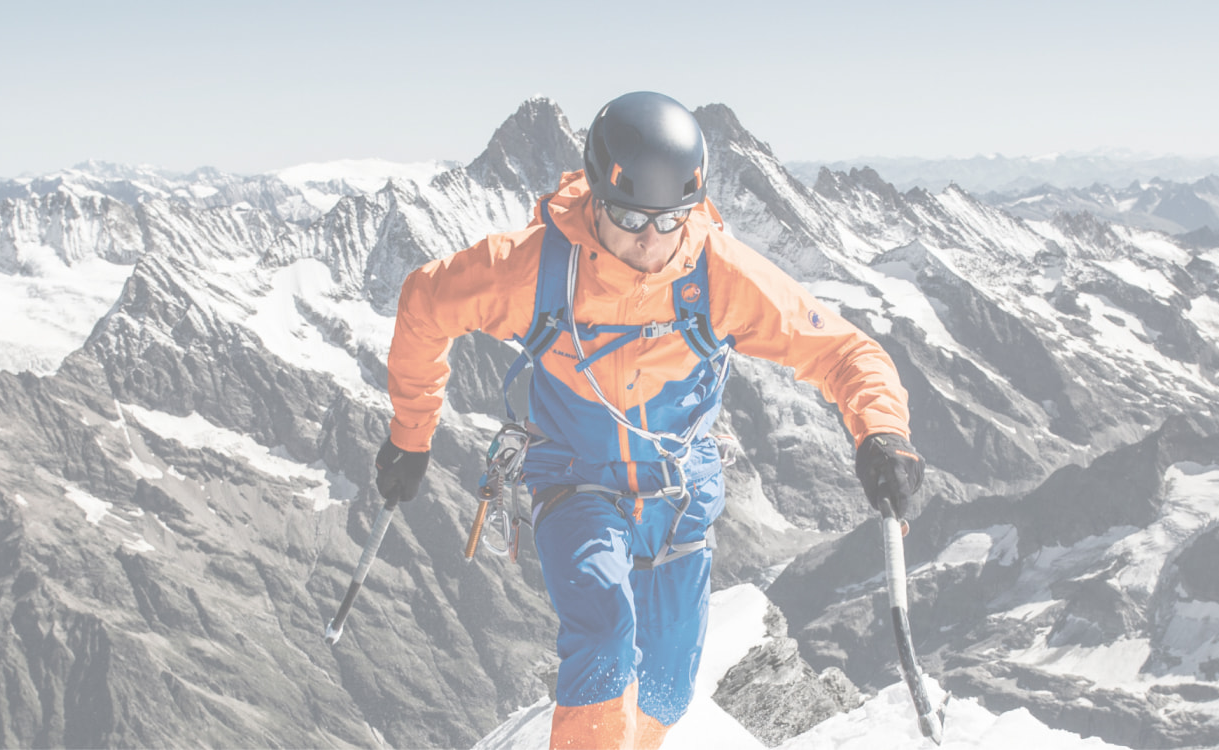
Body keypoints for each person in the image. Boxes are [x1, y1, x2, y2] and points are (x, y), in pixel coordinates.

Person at [369, 91, 926, 749]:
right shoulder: (533, 269)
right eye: (632, 217)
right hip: (575, 481)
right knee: (604, 639)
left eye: (670, 221)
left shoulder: (717, 273)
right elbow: (425, 303)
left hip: (678, 496)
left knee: (665, 689)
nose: (650, 241)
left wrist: (882, 432)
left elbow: (843, 352)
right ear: (596, 197)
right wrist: (411, 436)